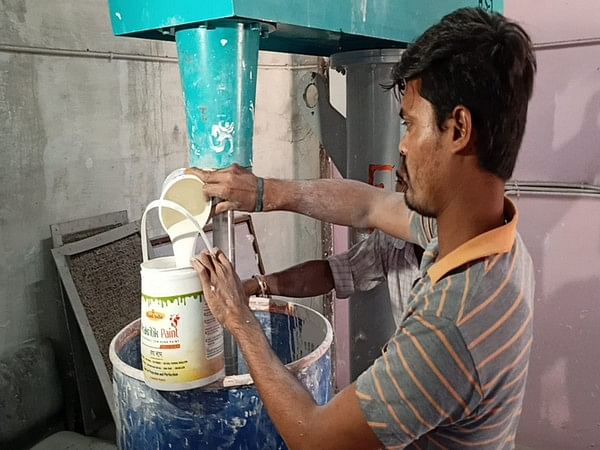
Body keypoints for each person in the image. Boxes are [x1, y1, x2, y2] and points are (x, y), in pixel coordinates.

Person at [191, 7, 536, 449]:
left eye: (410, 124)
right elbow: (369, 205)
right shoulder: (491, 239)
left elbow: (314, 439)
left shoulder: (448, 327)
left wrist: (241, 323)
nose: (402, 145)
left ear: (459, 129)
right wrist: (262, 192)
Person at [241, 172, 422, 328]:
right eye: (400, 182)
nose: (400, 195)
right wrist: (259, 285)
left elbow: (367, 207)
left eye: (411, 186)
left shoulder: (446, 254)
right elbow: (336, 272)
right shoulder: (391, 242)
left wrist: (263, 193)